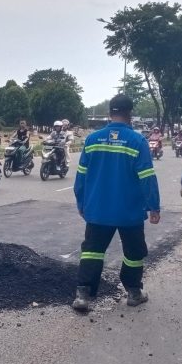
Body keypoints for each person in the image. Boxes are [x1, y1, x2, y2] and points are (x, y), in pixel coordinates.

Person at [72, 94, 161, 312]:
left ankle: (83, 294)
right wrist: (154, 206)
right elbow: (147, 177)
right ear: (130, 114)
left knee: (92, 251)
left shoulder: (92, 140)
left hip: (97, 210)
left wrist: (81, 202)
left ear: (110, 113)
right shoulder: (137, 141)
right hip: (129, 212)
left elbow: (81, 176)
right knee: (133, 252)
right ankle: (133, 292)